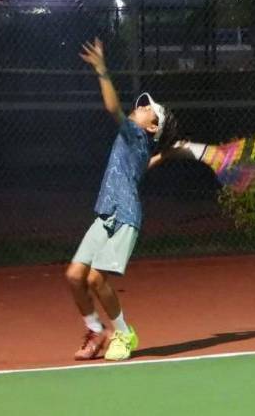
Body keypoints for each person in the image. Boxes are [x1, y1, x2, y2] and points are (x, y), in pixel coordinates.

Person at [65, 38, 184, 362]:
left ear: (153, 127)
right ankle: (96, 330)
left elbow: (112, 109)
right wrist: (168, 155)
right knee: (74, 276)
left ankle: (123, 332)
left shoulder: (135, 135)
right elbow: (138, 169)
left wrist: (102, 70)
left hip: (125, 217)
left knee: (95, 279)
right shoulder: (140, 146)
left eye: (147, 110)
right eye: (142, 105)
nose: (140, 108)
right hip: (106, 213)